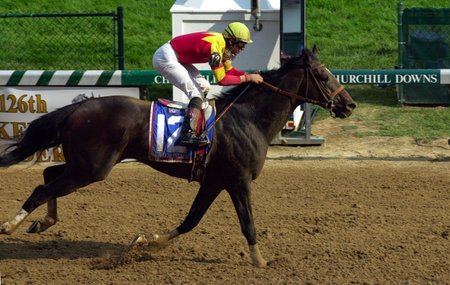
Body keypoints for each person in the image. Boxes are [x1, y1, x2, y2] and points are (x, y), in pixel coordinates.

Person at [152, 22, 264, 148]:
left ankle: (195, 120)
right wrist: (248, 78)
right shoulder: (214, 49)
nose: (242, 48)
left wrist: (247, 75)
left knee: (204, 85)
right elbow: (222, 80)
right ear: (231, 41)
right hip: (166, 57)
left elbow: (229, 71)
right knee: (196, 93)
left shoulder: (223, 45)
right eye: (241, 44)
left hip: (176, 56)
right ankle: (187, 134)